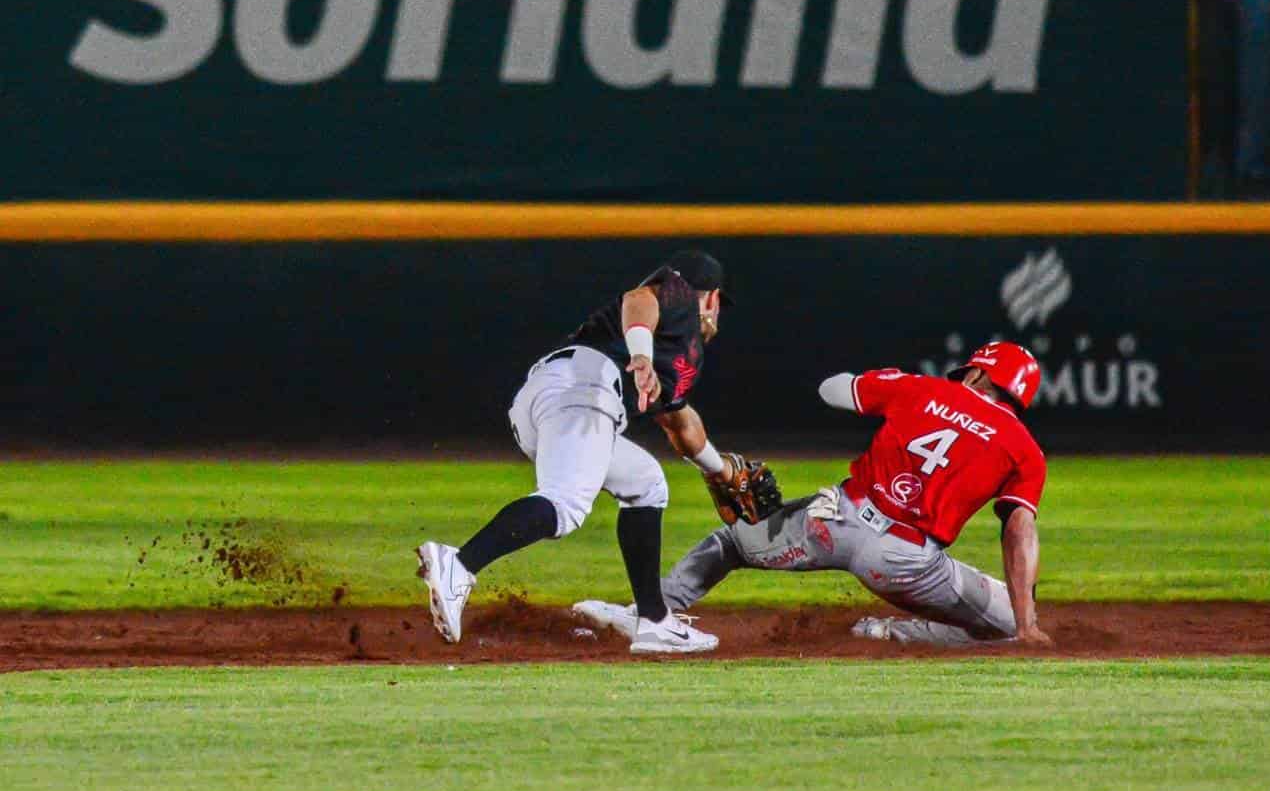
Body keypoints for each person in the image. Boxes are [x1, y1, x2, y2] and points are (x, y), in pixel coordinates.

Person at [573, 342, 1054, 648]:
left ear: (976, 374)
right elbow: (1020, 531)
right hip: (905, 563)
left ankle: (648, 614)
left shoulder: (921, 388)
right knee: (1009, 622)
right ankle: (893, 634)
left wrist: (881, 381)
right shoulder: (1024, 450)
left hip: (834, 523)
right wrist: (1028, 623)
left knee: (732, 543)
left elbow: (832, 390)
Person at [417, 250, 736, 654]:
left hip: (559, 398)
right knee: (566, 505)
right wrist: (640, 354)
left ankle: (654, 621)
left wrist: (719, 470)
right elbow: (639, 300)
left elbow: (679, 423)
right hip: (584, 388)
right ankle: (458, 566)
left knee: (647, 483)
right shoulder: (680, 296)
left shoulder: (680, 350)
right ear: (713, 298)